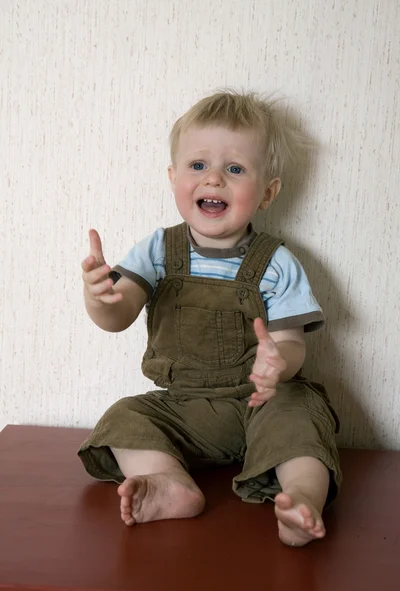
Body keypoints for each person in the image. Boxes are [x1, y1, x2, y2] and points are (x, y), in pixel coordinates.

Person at [79, 90, 341, 547]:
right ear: (173, 177)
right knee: (123, 416)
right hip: (186, 411)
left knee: (302, 410)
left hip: (264, 404)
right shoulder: (158, 250)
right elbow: (117, 315)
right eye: (198, 165)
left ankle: (301, 499)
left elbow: (292, 341)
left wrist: (279, 361)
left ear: (267, 192)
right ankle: (169, 483)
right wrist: (100, 298)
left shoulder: (276, 262)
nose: (214, 178)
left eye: (235, 168)